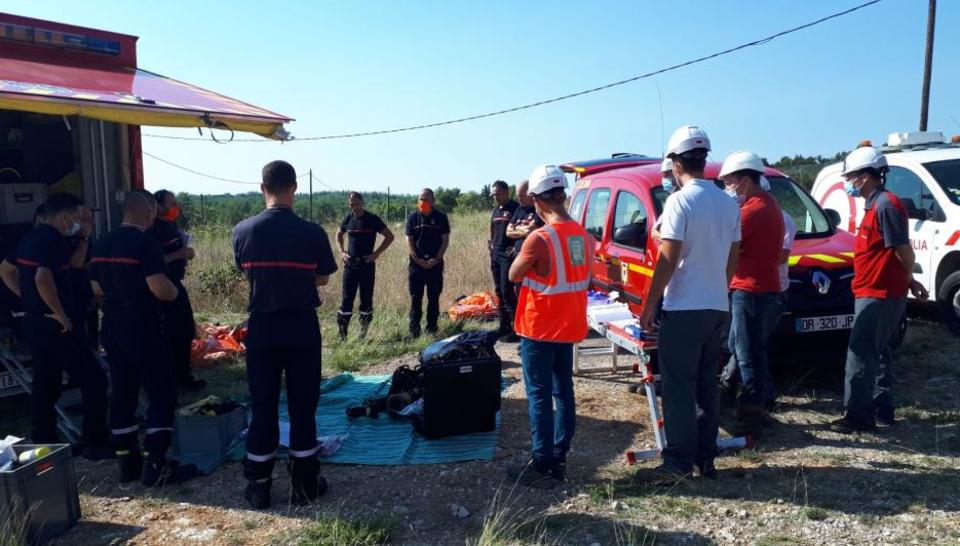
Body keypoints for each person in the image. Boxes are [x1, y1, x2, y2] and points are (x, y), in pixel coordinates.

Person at [233, 160, 338, 508]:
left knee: (262, 406)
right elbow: (322, 277)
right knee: (302, 406)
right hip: (300, 326)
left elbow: (245, 271)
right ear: (294, 187)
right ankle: (305, 484)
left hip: (261, 327)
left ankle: (259, 486)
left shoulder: (243, 231)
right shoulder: (313, 233)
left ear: (262, 188)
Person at [638, 126, 741, 481]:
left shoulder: (680, 201)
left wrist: (650, 303)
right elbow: (733, 255)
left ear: (675, 162)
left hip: (684, 308)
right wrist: (719, 287)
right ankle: (705, 456)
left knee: (679, 386)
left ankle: (678, 462)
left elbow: (667, 257)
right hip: (716, 305)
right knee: (706, 383)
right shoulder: (728, 202)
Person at [91, 189, 199, 486]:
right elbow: (160, 288)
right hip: (144, 325)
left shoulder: (101, 243)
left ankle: (128, 461)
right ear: (150, 214)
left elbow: (96, 290)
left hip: (112, 326)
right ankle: (158, 464)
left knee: (123, 392)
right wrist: (175, 294)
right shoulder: (145, 243)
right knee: (161, 392)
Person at [0, 193, 110, 459]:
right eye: (75, 218)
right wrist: (58, 312)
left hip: (34, 322)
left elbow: (5, 269)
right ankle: (94, 442)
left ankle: (44, 443)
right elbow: (43, 278)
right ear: (64, 217)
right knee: (94, 379)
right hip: (56, 325)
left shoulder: (28, 238)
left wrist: (29, 301)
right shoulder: (53, 240)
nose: (76, 223)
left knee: (45, 383)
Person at [830, 146, 928, 434]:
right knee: (879, 352)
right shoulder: (876, 205)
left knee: (860, 353)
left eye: (851, 177)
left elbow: (903, 251)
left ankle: (858, 416)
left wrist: (907, 279)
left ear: (864, 177)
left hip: (880, 293)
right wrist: (908, 280)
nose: (848, 183)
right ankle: (881, 408)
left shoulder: (885, 206)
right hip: (875, 290)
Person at [506, 164, 592, 488]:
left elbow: (514, 274)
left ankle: (542, 462)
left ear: (538, 201)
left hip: (539, 327)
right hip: (568, 325)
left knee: (539, 395)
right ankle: (560, 455)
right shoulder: (583, 234)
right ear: (563, 195)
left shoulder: (538, 238)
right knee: (563, 392)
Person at [719, 151, 784, 432]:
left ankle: (750, 414)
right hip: (761, 289)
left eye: (730, 182)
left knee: (748, 356)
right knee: (740, 348)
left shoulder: (751, 211)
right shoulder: (770, 204)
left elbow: (725, 245)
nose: (728, 189)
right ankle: (727, 396)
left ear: (744, 181)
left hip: (751, 291)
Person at [149, 189, 204, 391]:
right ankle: (173, 377)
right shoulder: (152, 231)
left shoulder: (170, 226)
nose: (175, 208)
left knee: (186, 329)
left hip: (176, 282)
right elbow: (152, 263)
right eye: (171, 204)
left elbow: (178, 249)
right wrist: (178, 254)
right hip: (162, 285)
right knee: (172, 332)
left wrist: (187, 252)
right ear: (159, 207)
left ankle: (183, 374)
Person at [335, 191, 394, 341]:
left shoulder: (372, 219)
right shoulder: (348, 218)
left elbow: (389, 236)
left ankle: (363, 334)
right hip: (350, 265)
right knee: (347, 299)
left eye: (356, 203)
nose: (354, 207)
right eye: (351, 204)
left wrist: (376, 253)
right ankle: (342, 335)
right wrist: (342, 252)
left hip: (367, 265)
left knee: (366, 300)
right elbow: (338, 235)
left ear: (362, 202)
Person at [405, 188, 450, 338]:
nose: (422, 202)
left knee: (433, 298)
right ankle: (414, 331)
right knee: (415, 298)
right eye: (420, 199)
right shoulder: (412, 218)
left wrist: (436, 259)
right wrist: (417, 259)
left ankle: (432, 328)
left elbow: (445, 240)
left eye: (425, 199)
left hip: (435, 265)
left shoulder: (441, 217)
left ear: (433, 201)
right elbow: (409, 240)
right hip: (416, 266)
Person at [489, 180, 519, 340]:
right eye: (494, 195)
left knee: (508, 291)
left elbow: (520, 230)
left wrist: (516, 248)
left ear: (507, 192)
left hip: (508, 256)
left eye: (498, 194)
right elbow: (492, 230)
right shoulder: (495, 211)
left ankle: (516, 329)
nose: (496, 197)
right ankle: (504, 325)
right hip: (495, 255)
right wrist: (491, 245)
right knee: (499, 291)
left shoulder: (515, 208)